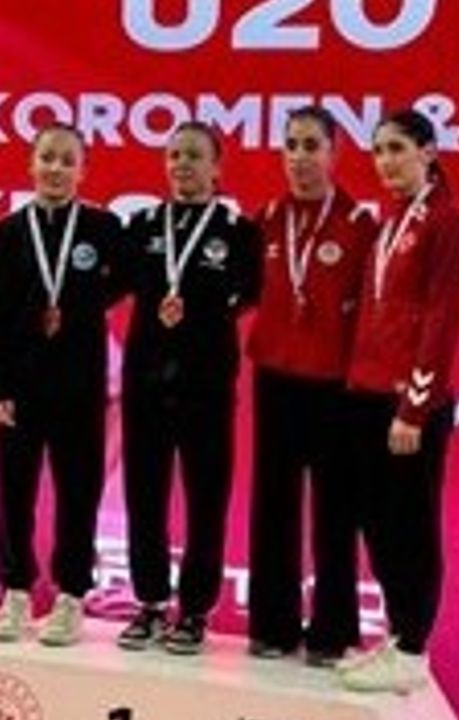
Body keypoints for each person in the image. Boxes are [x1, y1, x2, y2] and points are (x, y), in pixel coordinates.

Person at [336, 109, 459, 693]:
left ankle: (415, 648)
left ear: (428, 152)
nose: (385, 161)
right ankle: (397, 637)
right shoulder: (393, 218)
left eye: (397, 148)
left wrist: (415, 407)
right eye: (378, 151)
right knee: (379, 523)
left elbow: (441, 322)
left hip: (408, 406)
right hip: (367, 395)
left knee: (412, 527)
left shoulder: (447, 223)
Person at [0, 123, 127, 647]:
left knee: (78, 493)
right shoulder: (6, 234)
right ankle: (15, 592)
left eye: (67, 160)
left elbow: (129, 276)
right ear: (31, 163)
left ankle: (71, 595)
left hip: (79, 387)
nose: (56, 168)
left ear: (83, 170)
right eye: (47, 157)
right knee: (14, 492)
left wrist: (84, 303)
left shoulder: (103, 228)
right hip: (19, 389)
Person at [117, 121, 262, 655]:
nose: (182, 164)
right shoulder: (142, 225)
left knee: (206, 498)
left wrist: (199, 312)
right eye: (174, 154)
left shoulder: (238, 231)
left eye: (195, 155)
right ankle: (151, 601)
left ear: (216, 167)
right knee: (144, 494)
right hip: (146, 382)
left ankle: (195, 610)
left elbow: (251, 294)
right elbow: (114, 284)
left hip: (206, 384)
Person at [245, 106, 377, 667]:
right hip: (275, 378)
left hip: (334, 386)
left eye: (311, 146)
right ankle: (271, 626)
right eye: (291, 145)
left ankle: (332, 631)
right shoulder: (268, 218)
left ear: (334, 152)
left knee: (335, 509)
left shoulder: (359, 224)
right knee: (273, 502)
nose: (299, 157)